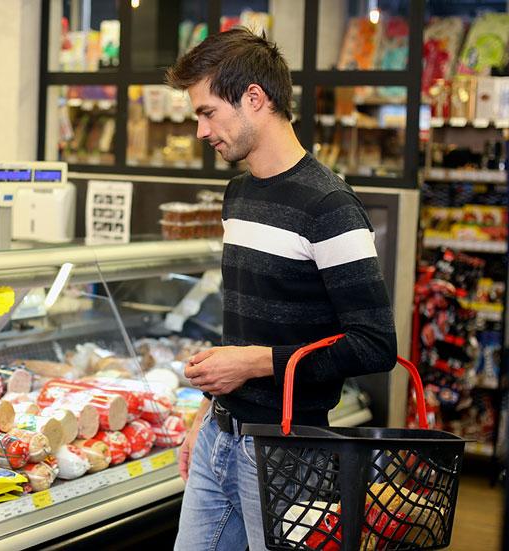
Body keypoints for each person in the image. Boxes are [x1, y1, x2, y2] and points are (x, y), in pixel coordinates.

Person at [165, 27, 397, 550]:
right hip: (219, 441)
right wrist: (204, 415)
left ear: (254, 98)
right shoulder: (238, 193)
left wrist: (253, 363)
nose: (201, 130)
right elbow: (240, 328)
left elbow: (375, 344)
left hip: (291, 453)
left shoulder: (330, 207)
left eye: (207, 112)